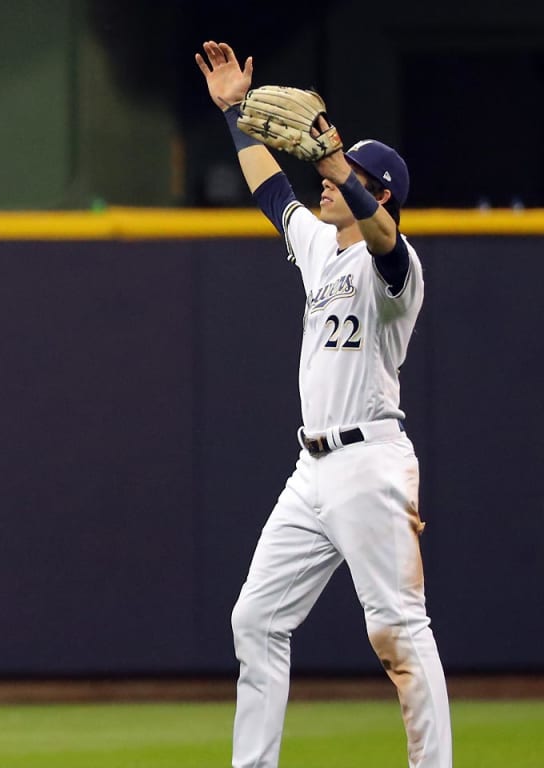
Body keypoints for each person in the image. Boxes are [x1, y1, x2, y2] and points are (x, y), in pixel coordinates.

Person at [195, 41, 452, 768]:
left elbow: (386, 238)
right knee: (257, 618)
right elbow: (271, 191)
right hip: (311, 470)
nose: (329, 183)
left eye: (352, 178)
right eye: (337, 173)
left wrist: (341, 161)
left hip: (370, 462)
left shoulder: (397, 269)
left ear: (381, 192)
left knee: (398, 630)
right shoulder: (319, 246)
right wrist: (233, 113)